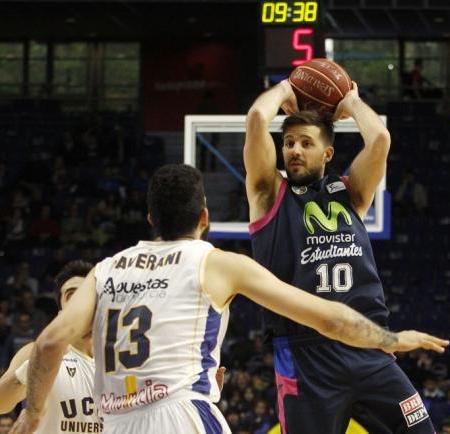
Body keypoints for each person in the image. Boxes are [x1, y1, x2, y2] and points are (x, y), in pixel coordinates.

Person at [10, 164, 448, 434]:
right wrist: (392, 339)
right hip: (182, 416)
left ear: (150, 218)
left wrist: (32, 413)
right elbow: (329, 320)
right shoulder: (216, 263)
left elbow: (49, 343)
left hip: (117, 423)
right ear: (204, 217)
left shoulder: (106, 270)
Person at [244, 79, 444, 433]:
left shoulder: (350, 193)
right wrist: (286, 89)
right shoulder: (268, 193)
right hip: (306, 355)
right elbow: (258, 118)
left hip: (369, 346)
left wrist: (350, 101)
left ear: (328, 153)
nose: (294, 150)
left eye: (306, 143)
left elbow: (380, 139)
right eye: (289, 143)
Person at [0, 260, 103, 434]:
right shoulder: (35, 352)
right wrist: (34, 367)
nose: (80, 303)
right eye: (71, 295)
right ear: (61, 313)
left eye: (86, 295)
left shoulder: (118, 362)